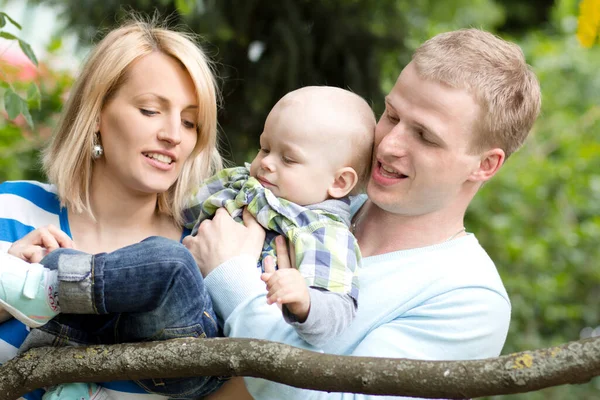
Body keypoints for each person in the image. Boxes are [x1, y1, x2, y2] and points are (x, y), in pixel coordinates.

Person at [184, 28, 542, 400]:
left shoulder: (469, 300)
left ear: (485, 164)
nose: (388, 144)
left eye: (425, 136)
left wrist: (233, 278)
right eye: (391, 114)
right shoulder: (307, 197)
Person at [1, 86, 374, 350]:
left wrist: (306, 300)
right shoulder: (245, 184)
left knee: (172, 259)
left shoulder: (323, 233)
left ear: (339, 182)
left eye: (287, 159)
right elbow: (183, 204)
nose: (265, 163)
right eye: (264, 147)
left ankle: (47, 285)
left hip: (207, 340)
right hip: (147, 329)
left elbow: (338, 313)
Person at [0, 20, 226, 400]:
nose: (173, 134)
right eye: (151, 110)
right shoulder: (13, 209)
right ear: (97, 114)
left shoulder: (208, 249)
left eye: (190, 122)